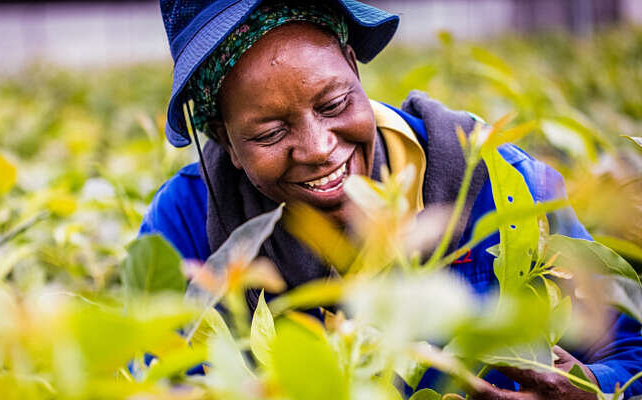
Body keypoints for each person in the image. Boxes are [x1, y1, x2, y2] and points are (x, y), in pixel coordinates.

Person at [141, 0, 642, 398]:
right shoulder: (183, 222)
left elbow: (631, 347)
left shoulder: (505, 186)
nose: (318, 149)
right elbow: (151, 382)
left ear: (354, 68)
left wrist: (592, 388)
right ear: (224, 140)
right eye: (270, 133)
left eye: (334, 104)